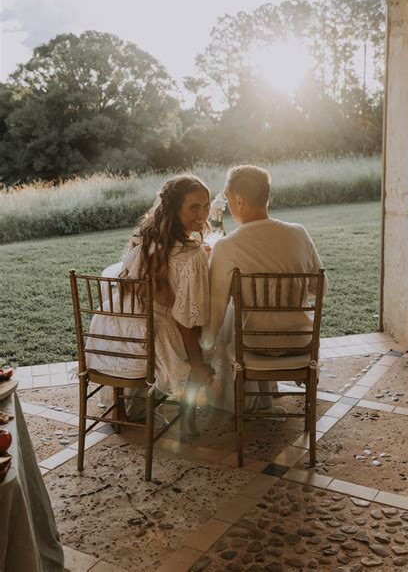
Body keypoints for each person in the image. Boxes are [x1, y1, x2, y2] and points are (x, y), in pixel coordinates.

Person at [85, 175, 214, 442]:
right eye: (194, 207)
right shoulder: (192, 256)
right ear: (174, 209)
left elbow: (128, 284)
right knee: (206, 338)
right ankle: (187, 419)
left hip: (111, 338)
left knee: (160, 321)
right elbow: (188, 321)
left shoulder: (143, 237)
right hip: (145, 347)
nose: (202, 214)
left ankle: (124, 406)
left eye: (206, 205)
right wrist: (198, 363)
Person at [203, 165, 328, 413]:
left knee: (228, 326)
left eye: (229, 201)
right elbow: (320, 289)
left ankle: (232, 400)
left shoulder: (227, 246)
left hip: (252, 346)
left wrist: (203, 357)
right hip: (301, 343)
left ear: (240, 201)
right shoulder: (298, 233)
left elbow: (216, 312)